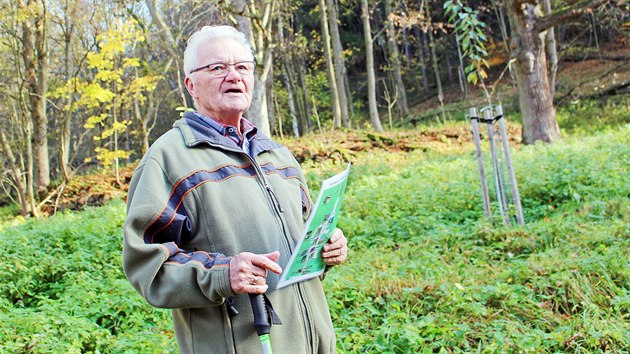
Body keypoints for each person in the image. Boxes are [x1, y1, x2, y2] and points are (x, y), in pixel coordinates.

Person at [122, 25, 349, 354]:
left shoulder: (278, 156)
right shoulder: (167, 160)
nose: (234, 76)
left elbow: (302, 239)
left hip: (313, 343)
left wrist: (326, 251)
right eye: (218, 68)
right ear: (191, 85)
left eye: (243, 67)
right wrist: (221, 274)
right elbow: (149, 267)